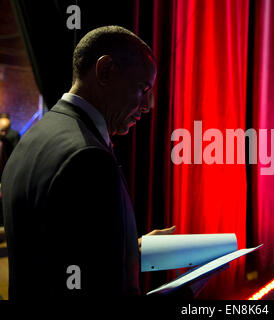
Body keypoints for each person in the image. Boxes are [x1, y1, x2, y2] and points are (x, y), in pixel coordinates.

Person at [1, 26, 181, 299]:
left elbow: (61, 251)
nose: (148, 105)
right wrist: (184, 295)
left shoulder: (35, 134)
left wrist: (131, 249)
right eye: (143, 89)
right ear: (105, 70)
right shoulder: (88, 158)